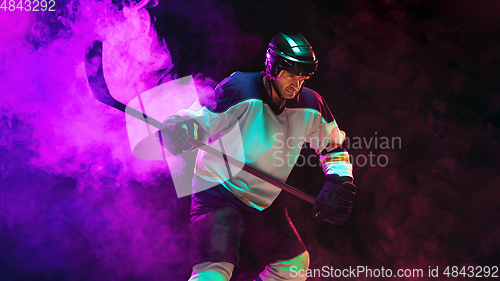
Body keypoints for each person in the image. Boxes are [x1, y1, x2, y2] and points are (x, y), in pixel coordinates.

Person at [159, 33, 356, 281]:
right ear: (273, 68)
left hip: (263, 203)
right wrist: (181, 129)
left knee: (293, 266)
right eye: (291, 74)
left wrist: (339, 181)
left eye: (303, 77)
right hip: (218, 193)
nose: (297, 84)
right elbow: (201, 119)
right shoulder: (239, 89)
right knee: (214, 274)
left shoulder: (312, 104)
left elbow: (333, 146)